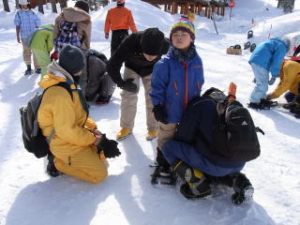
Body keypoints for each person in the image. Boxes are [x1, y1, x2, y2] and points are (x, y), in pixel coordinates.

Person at [38, 44, 121, 183]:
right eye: (80, 69)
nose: (82, 71)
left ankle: (78, 154)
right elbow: (67, 131)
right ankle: (57, 162)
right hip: (60, 141)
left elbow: (78, 113)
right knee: (100, 174)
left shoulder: (67, 82)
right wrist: (95, 140)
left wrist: (95, 131)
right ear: (72, 69)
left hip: (69, 133)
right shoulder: (60, 94)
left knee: (99, 154)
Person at [162, 88, 254, 203]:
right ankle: (239, 181)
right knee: (217, 162)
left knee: (168, 147)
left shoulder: (200, 104)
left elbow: (184, 136)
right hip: (239, 162)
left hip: (215, 166)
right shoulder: (233, 107)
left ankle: (198, 185)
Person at [150, 19, 204, 175]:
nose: (179, 37)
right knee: (166, 134)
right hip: (169, 109)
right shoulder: (164, 63)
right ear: (171, 39)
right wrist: (158, 106)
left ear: (192, 38)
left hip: (190, 109)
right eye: (175, 35)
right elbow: (157, 87)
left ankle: (180, 157)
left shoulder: (197, 61)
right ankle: (163, 160)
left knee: (185, 134)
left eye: (183, 34)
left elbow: (199, 82)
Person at [106, 27, 169, 141]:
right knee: (128, 96)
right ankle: (126, 127)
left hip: (152, 70)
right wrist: (122, 83)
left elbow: (180, 51)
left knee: (153, 97)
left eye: (153, 55)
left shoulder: (165, 44)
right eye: (147, 54)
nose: (150, 57)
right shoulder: (131, 41)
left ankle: (153, 128)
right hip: (132, 67)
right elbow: (112, 65)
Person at [248, 37, 290, 109]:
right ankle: (254, 101)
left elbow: (266, 54)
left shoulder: (273, 42)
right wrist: (274, 75)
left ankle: (261, 99)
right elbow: (277, 62)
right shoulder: (282, 46)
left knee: (263, 82)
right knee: (262, 84)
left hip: (256, 59)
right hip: (261, 62)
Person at [14, 0, 41, 75]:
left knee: (36, 51)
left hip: (34, 35)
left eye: (25, 5)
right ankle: (28, 68)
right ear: (20, 5)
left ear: (27, 4)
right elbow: (17, 26)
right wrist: (17, 36)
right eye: (22, 5)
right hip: (24, 36)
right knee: (26, 51)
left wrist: (37, 30)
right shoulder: (18, 14)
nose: (23, 6)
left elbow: (38, 23)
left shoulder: (32, 13)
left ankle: (38, 67)